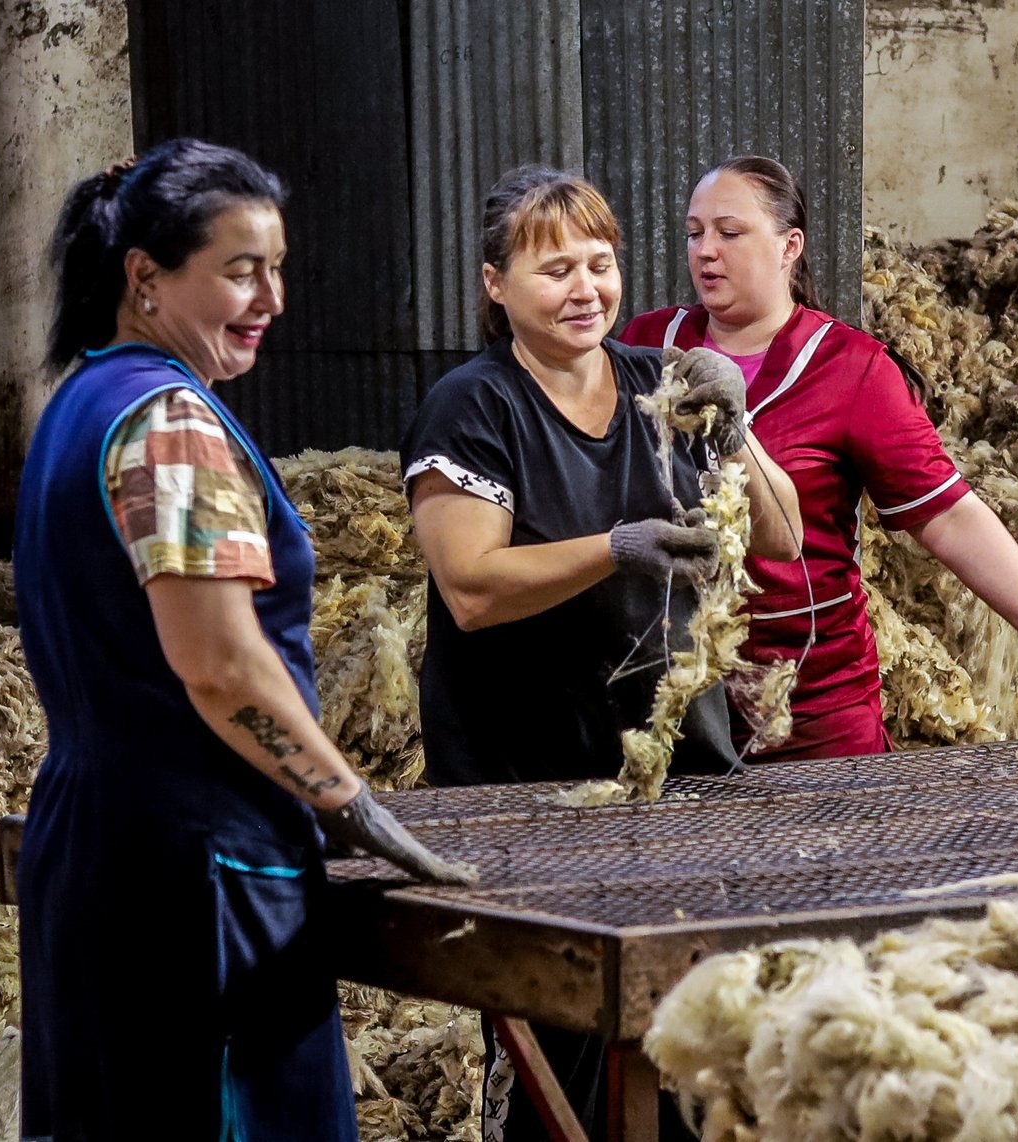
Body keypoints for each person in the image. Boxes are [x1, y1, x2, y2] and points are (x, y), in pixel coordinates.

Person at [15, 138, 469, 1142]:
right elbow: (218, 663)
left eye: (276, 269)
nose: (270, 298)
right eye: (238, 269)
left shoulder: (80, 404)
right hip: (194, 866)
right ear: (144, 277)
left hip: (94, 842)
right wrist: (345, 797)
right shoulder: (170, 420)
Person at [400, 166, 801, 1138]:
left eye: (600, 263)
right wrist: (615, 544)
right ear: (495, 285)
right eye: (553, 269)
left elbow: (783, 538)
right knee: (565, 1058)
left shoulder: (657, 385)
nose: (585, 288)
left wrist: (736, 427)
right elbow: (471, 586)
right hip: (528, 787)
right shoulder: (475, 406)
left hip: (674, 771)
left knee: (691, 1047)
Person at [623, 155, 1018, 761]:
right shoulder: (648, 346)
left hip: (806, 704)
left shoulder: (850, 369)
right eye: (695, 234)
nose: (706, 251)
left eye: (730, 232)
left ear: (788, 246)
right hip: (672, 697)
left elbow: (947, 514)